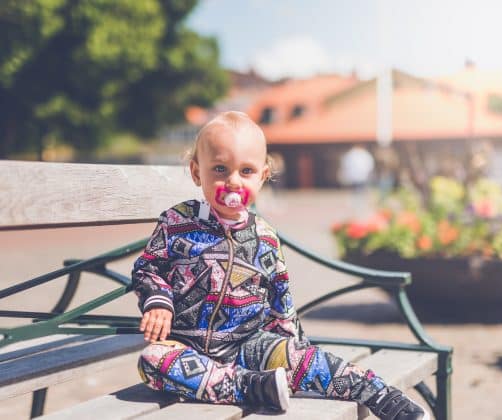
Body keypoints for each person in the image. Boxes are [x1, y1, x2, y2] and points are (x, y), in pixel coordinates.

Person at [132, 111, 429, 420]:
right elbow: (148, 267)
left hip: (250, 344)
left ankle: (375, 393)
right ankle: (249, 387)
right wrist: (158, 301)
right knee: (152, 360)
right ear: (196, 172)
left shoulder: (264, 236)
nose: (232, 180)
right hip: (188, 347)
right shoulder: (176, 222)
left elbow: (280, 298)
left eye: (245, 171)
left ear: (262, 176)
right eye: (220, 169)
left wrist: (292, 349)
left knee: (308, 358)